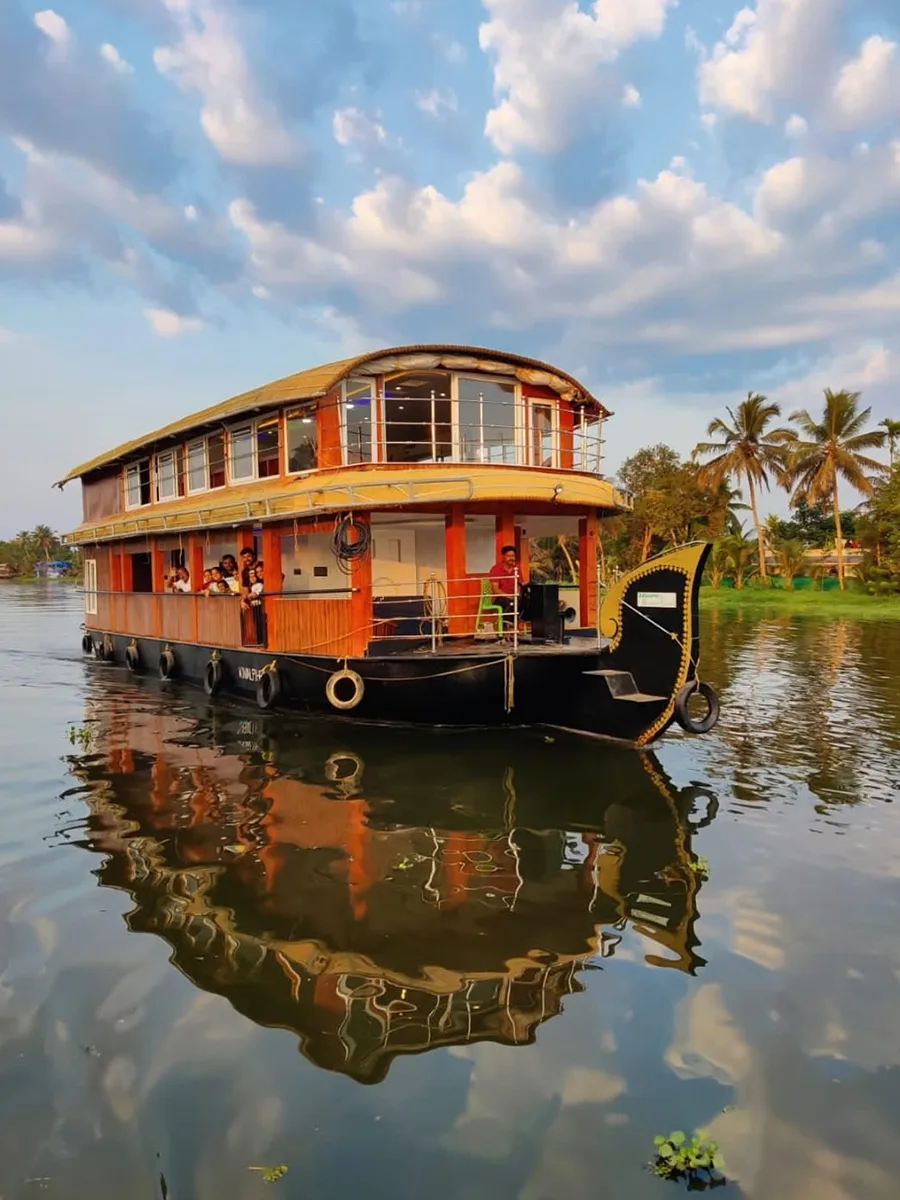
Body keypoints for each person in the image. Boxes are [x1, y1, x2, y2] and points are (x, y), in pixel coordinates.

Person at [488, 545, 521, 616]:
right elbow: (496, 590)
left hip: (514, 597)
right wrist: (510, 597)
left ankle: (517, 624)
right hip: (500, 598)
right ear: (503, 556)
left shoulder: (517, 568)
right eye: (508, 556)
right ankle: (507, 625)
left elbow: (519, 584)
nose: (511, 558)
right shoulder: (496, 569)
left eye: (513, 556)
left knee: (526, 602)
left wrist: (518, 595)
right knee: (510, 603)